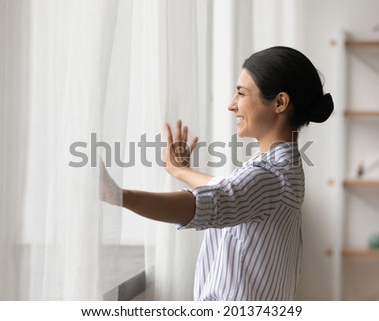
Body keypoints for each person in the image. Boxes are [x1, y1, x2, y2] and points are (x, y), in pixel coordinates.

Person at [100, 46, 334, 301]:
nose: (231, 105)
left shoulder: (269, 176)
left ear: (280, 103)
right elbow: (229, 190)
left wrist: (119, 196)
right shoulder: (281, 168)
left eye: (241, 93)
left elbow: (210, 202)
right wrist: (181, 170)